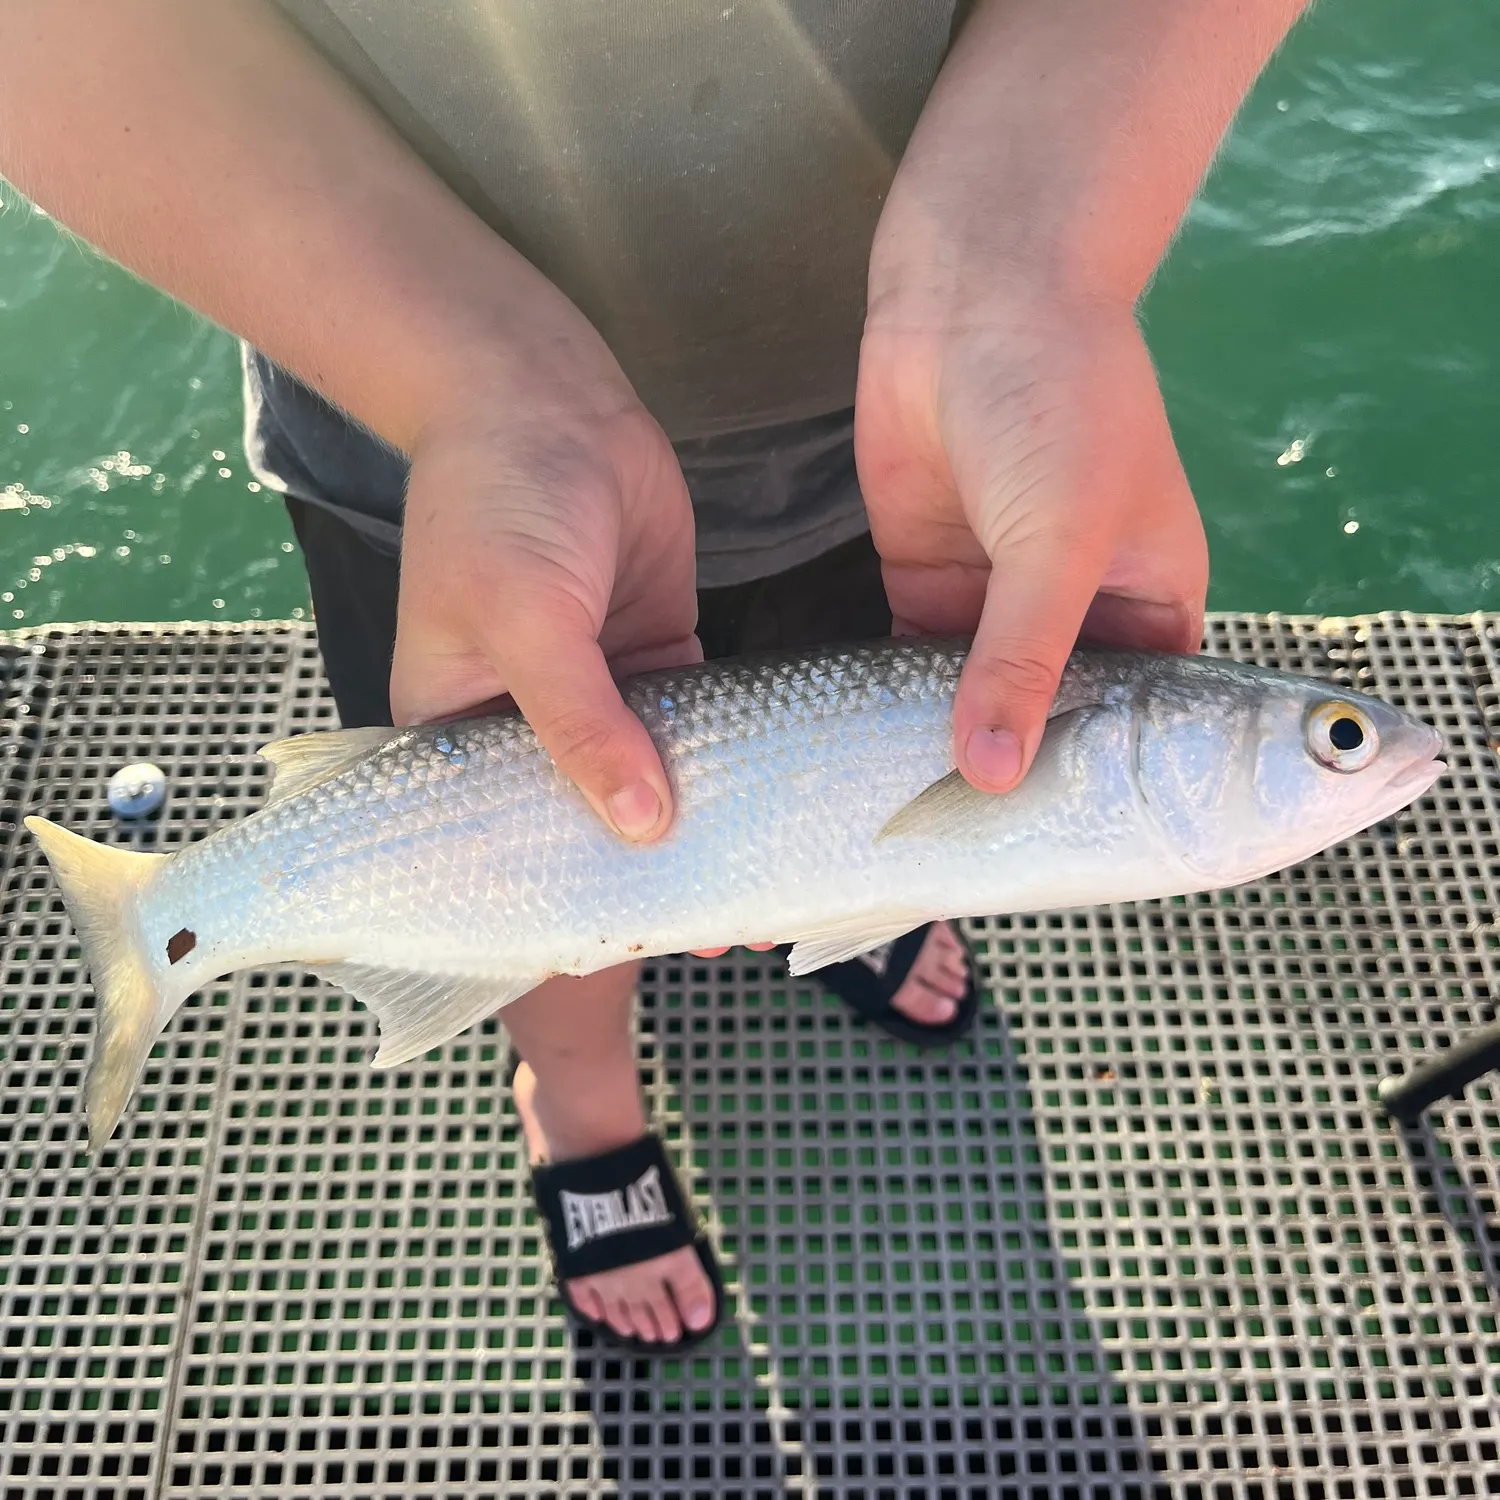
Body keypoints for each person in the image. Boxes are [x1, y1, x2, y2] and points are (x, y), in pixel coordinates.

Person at [0, 0, 1305, 1350]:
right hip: (424, 435)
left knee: (847, 721)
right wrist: (470, 388)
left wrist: (1020, 265)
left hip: (926, 449)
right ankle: (577, 1104)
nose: (1350, 755)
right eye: (1329, 737)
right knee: (550, 825)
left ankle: (873, 900)